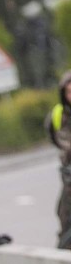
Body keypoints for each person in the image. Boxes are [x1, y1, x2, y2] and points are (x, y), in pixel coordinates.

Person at [46, 69, 71, 249]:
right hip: (69, 179)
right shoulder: (58, 116)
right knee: (65, 218)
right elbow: (58, 140)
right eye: (69, 91)